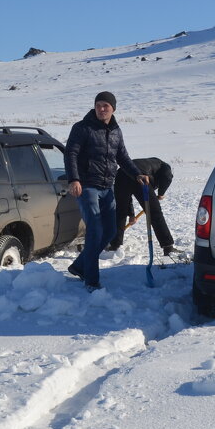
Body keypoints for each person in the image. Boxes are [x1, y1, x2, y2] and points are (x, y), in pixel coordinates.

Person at [64, 91, 148, 290]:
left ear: (113, 109)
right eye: (98, 105)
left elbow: (123, 157)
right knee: (95, 230)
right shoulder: (82, 128)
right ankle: (91, 280)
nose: (102, 109)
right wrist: (74, 179)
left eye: (106, 106)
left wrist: (137, 173)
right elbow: (71, 154)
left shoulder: (116, 131)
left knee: (110, 230)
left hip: (107, 186)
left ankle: (78, 266)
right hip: (87, 186)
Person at [109, 157, 175, 255]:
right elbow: (167, 176)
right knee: (155, 213)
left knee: (120, 212)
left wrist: (131, 215)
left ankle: (115, 246)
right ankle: (168, 246)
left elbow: (127, 195)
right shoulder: (164, 166)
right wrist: (161, 193)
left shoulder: (150, 162)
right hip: (141, 177)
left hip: (121, 175)